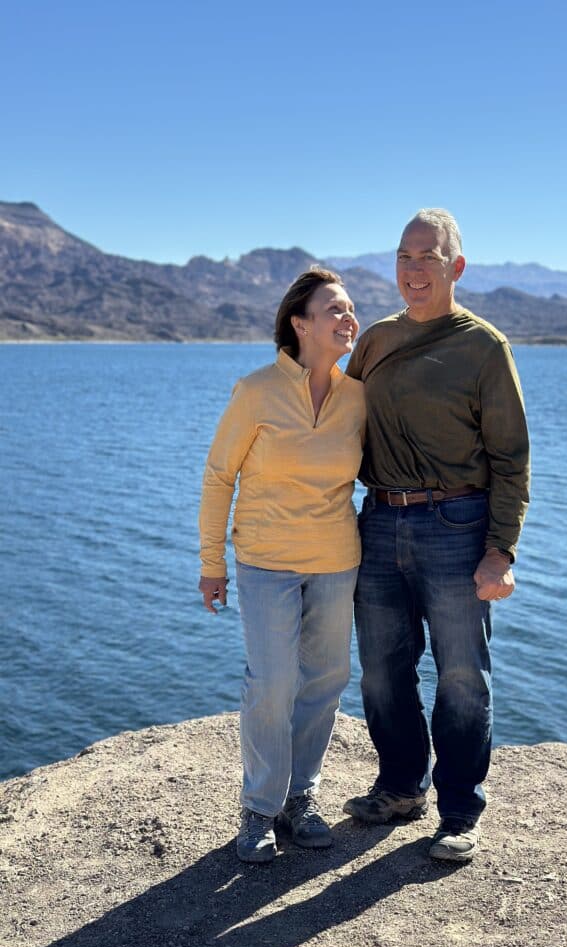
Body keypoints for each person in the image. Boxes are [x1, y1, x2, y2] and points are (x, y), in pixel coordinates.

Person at [343, 209, 530, 862]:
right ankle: (400, 789)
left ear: (456, 265)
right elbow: (338, 427)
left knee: (460, 677)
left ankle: (459, 813)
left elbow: (510, 457)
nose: (414, 269)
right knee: (380, 673)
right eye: (404, 256)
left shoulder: (484, 347)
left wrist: (500, 548)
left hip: (457, 526)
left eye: (428, 256)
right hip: (381, 519)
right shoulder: (373, 342)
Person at [198, 268, 365, 863]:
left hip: (336, 560)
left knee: (324, 681)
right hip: (266, 561)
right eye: (335, 310)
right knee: (271, 684)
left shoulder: (357, 396)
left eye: (351, 309)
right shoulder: (256, 390)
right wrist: (210, 562)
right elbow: (220, 477)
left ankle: (302, 796)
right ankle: (259, 805)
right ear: (300, 323)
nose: (349, 319)